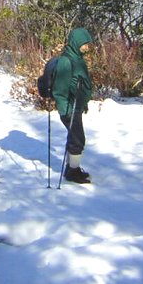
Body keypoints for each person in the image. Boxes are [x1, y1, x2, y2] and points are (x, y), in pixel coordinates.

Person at [52, 27, 94, 184]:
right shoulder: (66, 60)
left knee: (74, 138)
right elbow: (60, 89)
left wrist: (83, 102)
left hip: (76, 106)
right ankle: (72, 172)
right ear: (76, 42)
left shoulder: (77, 58)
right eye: (84, 44)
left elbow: (80, 83)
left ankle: (72, 168)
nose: (87, 47)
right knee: (77, 140)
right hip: (69, 108)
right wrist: (65, 109)